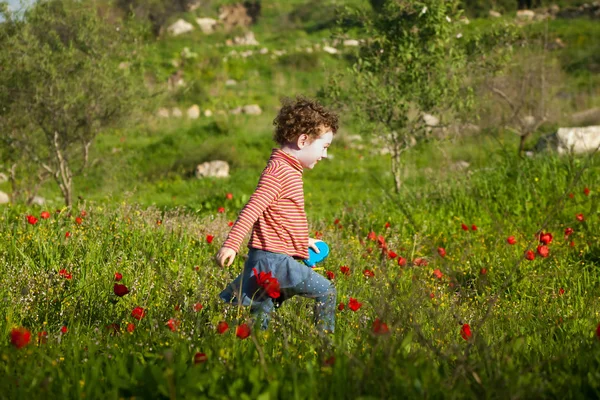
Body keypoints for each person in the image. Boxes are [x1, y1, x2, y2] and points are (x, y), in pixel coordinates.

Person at [216, 96, 338, 333]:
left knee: (262, 312)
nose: (324, 155)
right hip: (273, 261)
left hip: (267, 259)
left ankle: (254, 351)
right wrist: (231, 245)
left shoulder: (287, 170)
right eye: (323, 147)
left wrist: (304, 241)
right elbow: (252, 208)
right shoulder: (279, 171)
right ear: (303, 140)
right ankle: (325, 345)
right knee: (327, 290)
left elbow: (279, 218)